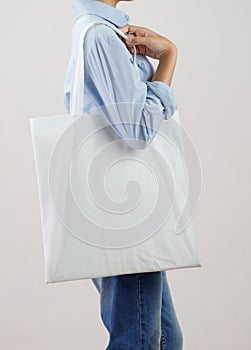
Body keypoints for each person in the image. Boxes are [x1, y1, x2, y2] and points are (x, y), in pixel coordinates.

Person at [64, 0, 183, 349]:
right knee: (141, 340)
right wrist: (170, 57)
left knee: (164, 339)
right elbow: (138, 131)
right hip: (122, 215)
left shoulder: (102, 32)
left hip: (117, 210)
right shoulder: (100, 36)